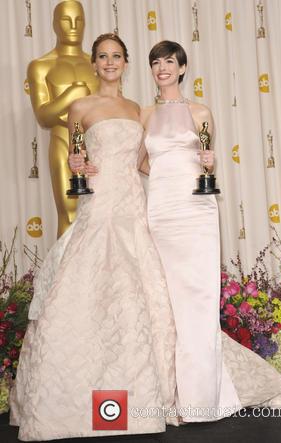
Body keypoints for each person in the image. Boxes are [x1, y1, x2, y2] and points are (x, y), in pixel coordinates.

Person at [9, 34, 177, 440]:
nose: (109, 62)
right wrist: (78, 163)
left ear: (126, 62)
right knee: (86, 284)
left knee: (139, 289)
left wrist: (184, 176)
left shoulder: (137, 109)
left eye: (116, 56)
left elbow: (142, 161)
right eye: (102, 56)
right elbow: (75, 158)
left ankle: (143, 393)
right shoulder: (78, 107)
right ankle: (83, 401)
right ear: (94, 62)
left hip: (132, 207)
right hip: (99, 205)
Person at [139, 40, 281, 422]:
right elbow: (140, 162)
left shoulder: (201, 111)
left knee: (198, 299)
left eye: (169, 62)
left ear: (182, 68)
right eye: (156, 62)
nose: (162, 68)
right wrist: (163, 176)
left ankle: (202, 398)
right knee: (166, 303)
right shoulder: (144, 114)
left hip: (197, 211)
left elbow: (207, 167)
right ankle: (171, 394)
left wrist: (207, 166)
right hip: (161, 211)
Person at [27, 0, 99, 237]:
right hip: (62, 141)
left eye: (79, 20)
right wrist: (72, 95)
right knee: (69, 214)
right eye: (66, 20)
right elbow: (43, 117)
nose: (73, 26)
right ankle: (65, 274)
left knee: (101, 216)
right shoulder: (41, 66)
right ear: (54, 25)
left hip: (98, 145)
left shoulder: (97, 65)